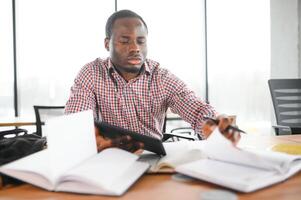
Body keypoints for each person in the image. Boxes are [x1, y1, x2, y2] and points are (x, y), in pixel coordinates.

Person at [65, 10, 240, 152]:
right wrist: (87, 138)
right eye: (124, 41)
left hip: (152, 160)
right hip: (109, 157)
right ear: (107, 44)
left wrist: (215, 125)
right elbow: (75, 122)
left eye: (141, 41)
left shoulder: (161, 77)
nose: (135, 48)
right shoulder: (91, 73)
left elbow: (195, 108)